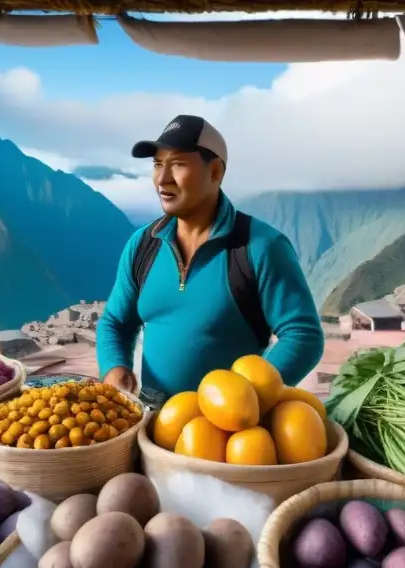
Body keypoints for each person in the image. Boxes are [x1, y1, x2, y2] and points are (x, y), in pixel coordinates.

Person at [96, 115, 324, 401]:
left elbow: (303, 335)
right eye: (157, 164)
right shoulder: (143, 245)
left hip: (229, 432)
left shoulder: (262, 247)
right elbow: (116, 321)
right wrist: (115, 370)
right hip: (154, 420)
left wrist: (247, 399)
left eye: (177, 164)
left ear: (215, 172)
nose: (162, 179)